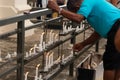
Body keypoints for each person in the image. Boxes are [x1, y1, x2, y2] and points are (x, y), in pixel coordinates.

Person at [48, 0, 120, 80]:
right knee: (116, 62)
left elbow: (78, 18)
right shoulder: (94, 11)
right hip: (115, 30)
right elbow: (98, 33)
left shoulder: (87, 2)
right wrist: (83, 44)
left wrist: (58, 9)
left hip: (117, 29)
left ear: (77, 7)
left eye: (75, 12)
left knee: (110, 63)